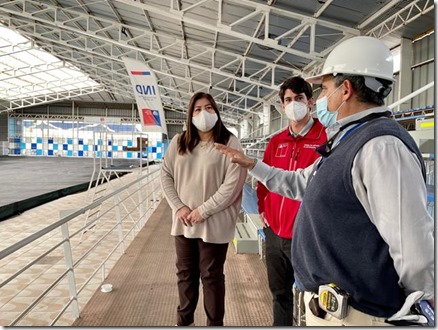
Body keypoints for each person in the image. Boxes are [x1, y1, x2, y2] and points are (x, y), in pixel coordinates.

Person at [214, 36, 434, 326]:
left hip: (359, 314)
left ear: (345, 90)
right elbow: (300, 183)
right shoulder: (347, 139)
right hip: (334, 308)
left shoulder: (382, 147)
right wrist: (253, 164)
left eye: (325, 88)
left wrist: (418, 306)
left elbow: (412, 244)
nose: (321, 97)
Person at [161, 92, 247, 326]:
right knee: (185, 276)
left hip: (214, 224)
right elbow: (166, 174)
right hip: (183, 223)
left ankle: (214, 324)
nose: (203, 113)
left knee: (211, 278)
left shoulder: (229, 142)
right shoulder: (179, 141)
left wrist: (203, 211)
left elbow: (232, 185)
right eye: (197, 109)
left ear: (216, 111)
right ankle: (184, 321)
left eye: (208, 107)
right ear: (190, 115)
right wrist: (179, 207)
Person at [257, 76, 326, 326]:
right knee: (280, 295)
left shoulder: (324, 138)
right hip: (275, 233)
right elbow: (263, 181)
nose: (293, 104)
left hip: (307, 236)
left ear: (311, 102)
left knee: (315, 300)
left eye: (298, 98)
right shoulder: (276, 142)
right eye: (288, 100)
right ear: (282, 105)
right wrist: (263, 209)